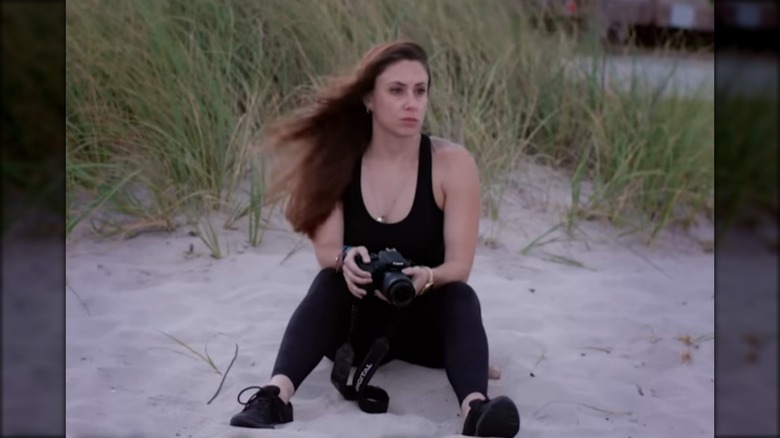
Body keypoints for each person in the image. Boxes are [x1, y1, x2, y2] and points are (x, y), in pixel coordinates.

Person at [228, 39, 520, 437]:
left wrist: (427, 278)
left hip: (424, 327)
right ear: (368, 97)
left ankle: (475, 410)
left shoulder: (452, 164)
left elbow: (460, 266)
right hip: (355, 331)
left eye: (420, 91)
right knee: (328, 281)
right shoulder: (339, 160)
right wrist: (345, 259)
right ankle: (274, 397)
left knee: (461, 297)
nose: (411, 102)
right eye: (396, 91)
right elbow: (327, 251)